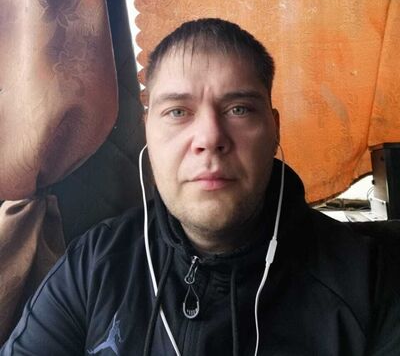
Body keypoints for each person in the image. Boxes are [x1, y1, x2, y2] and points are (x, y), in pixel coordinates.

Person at [1, 18, 399, 355]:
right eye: (178, 111)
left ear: (274, 128)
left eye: (239, 109)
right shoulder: (93, 265)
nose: (210, 137)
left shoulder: (370, 280)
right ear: (147, 132)